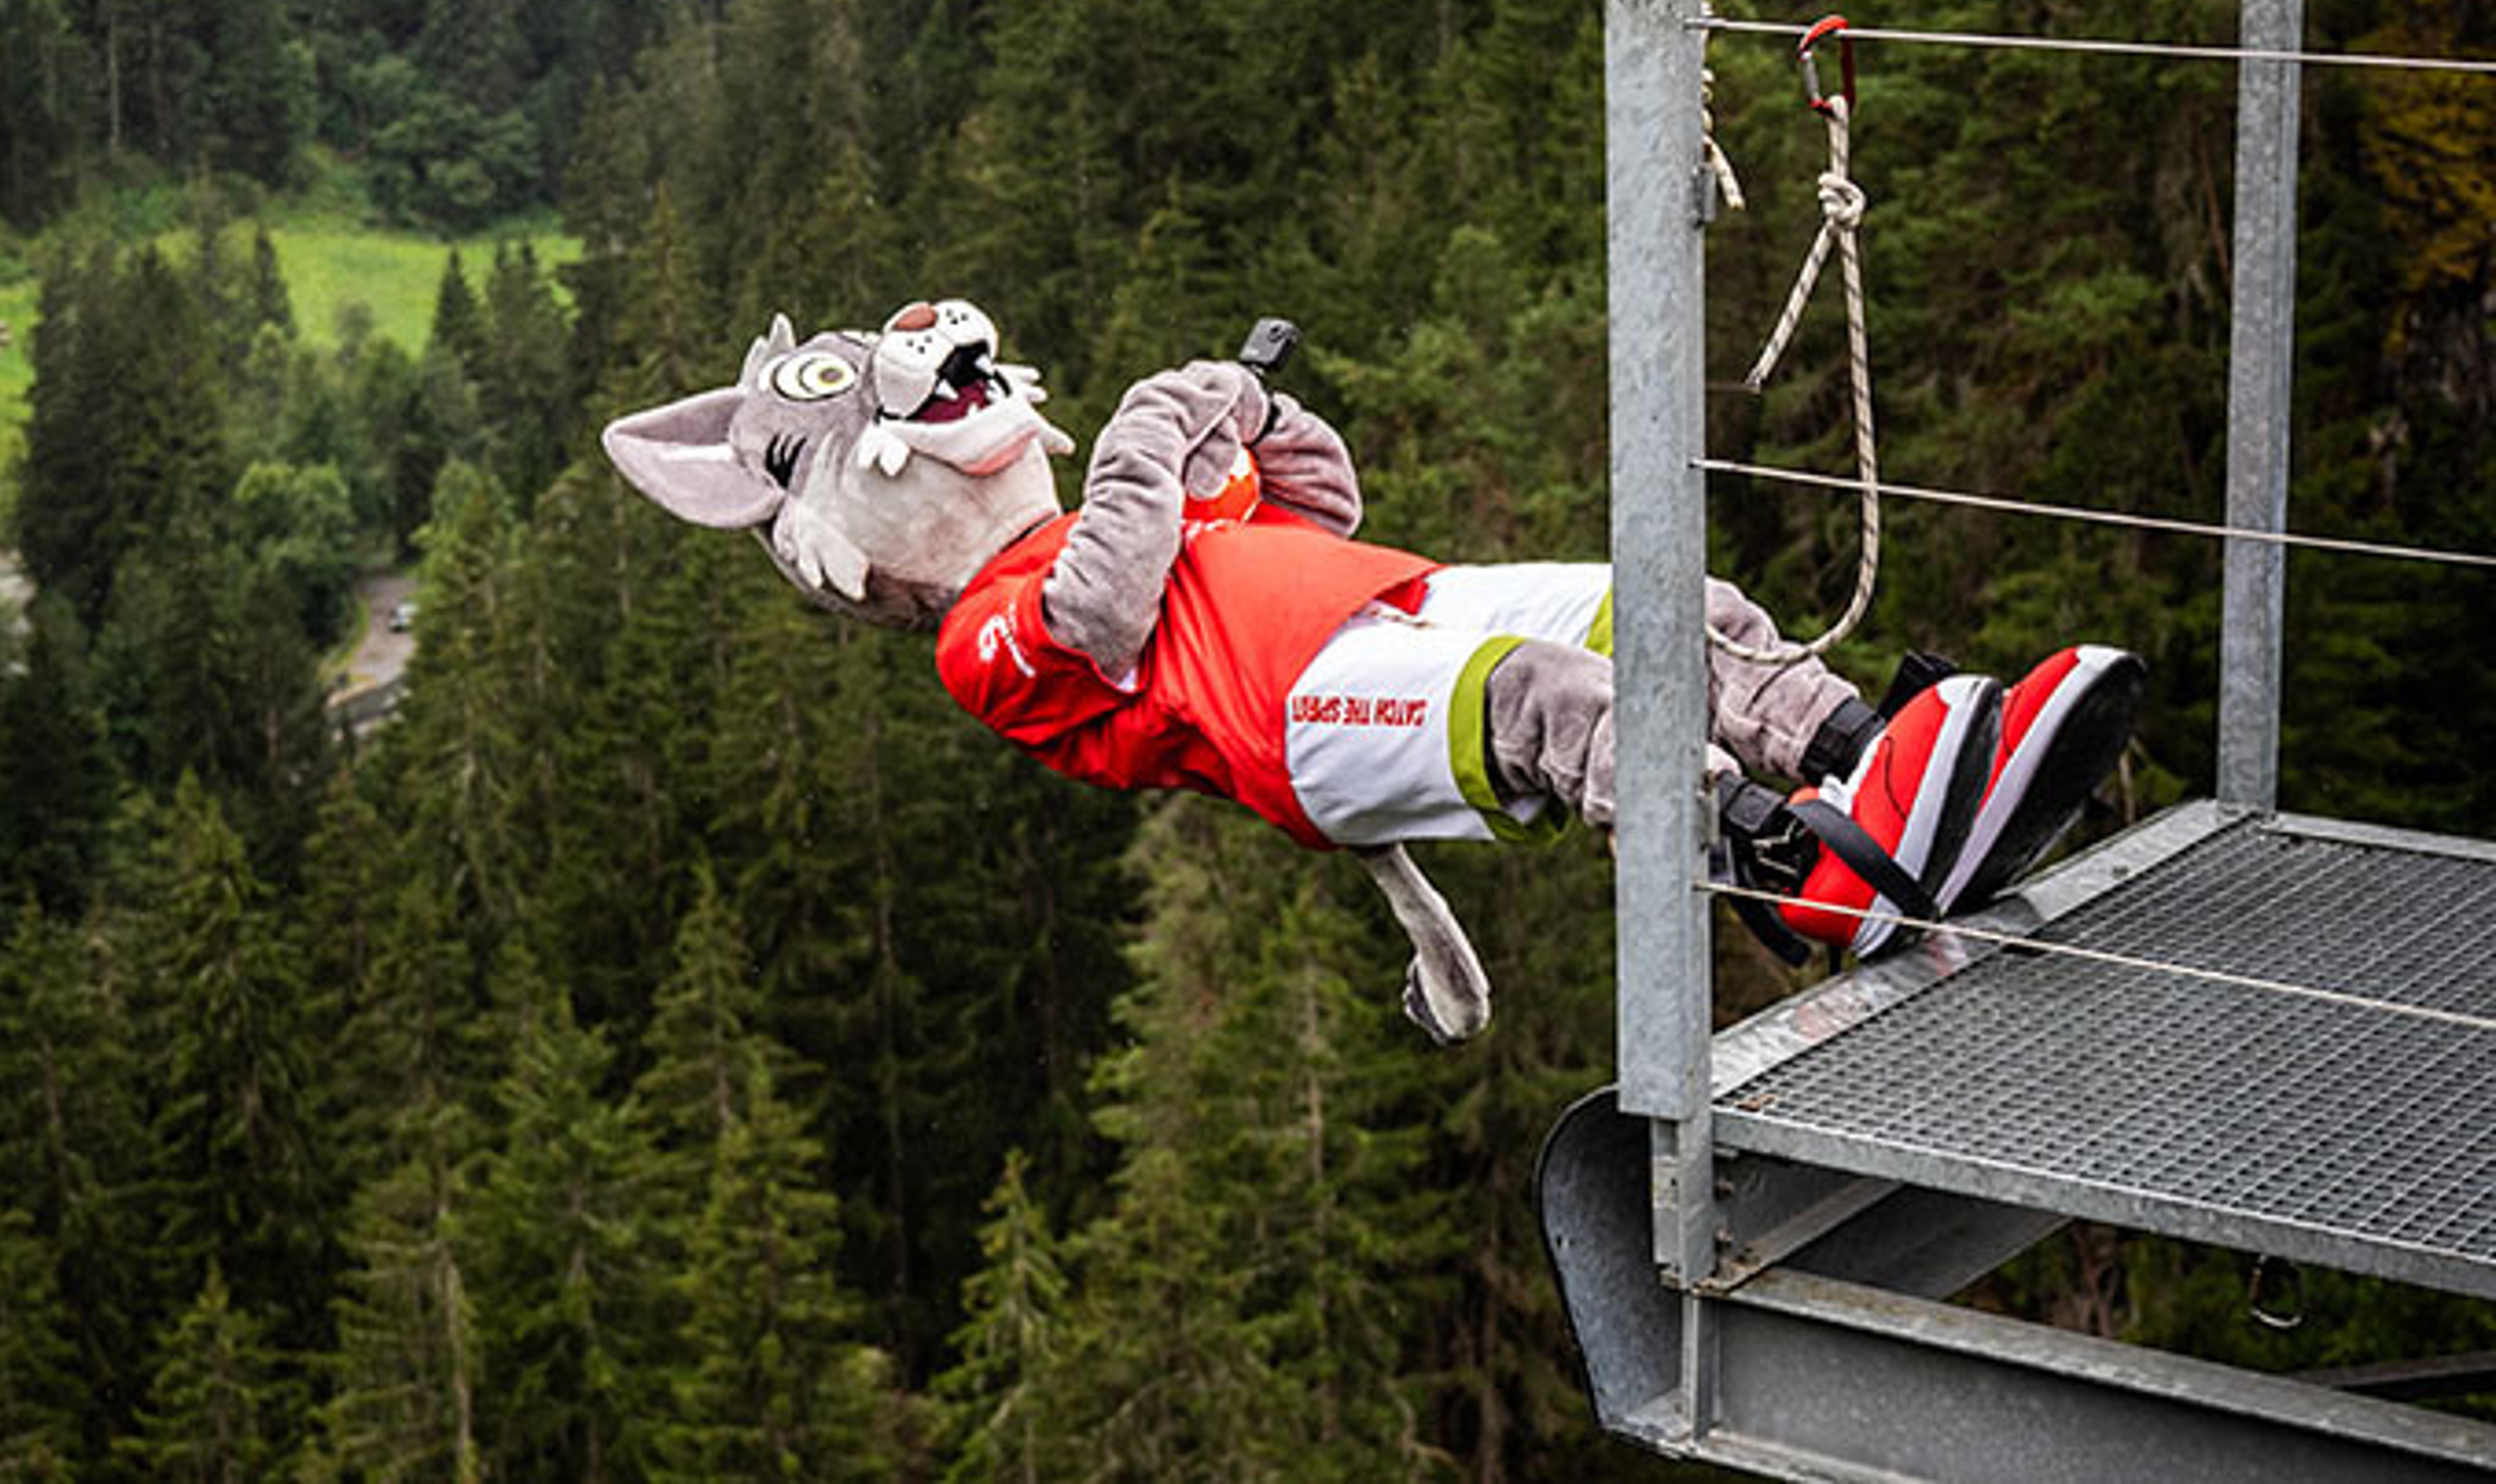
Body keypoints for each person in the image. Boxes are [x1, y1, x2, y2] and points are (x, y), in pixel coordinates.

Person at [604, 298, 2142, 1035]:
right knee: (1556, 706)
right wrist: (1154, 425)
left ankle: (1881, 754)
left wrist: (1254, 423)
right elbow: (1104, 620)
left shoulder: (1113, 514)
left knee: (1657, 606)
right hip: (1292, 723)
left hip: (1375, 606)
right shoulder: (975, 639)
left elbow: (1317, 510)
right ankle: (1800, 876)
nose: (985, 397)